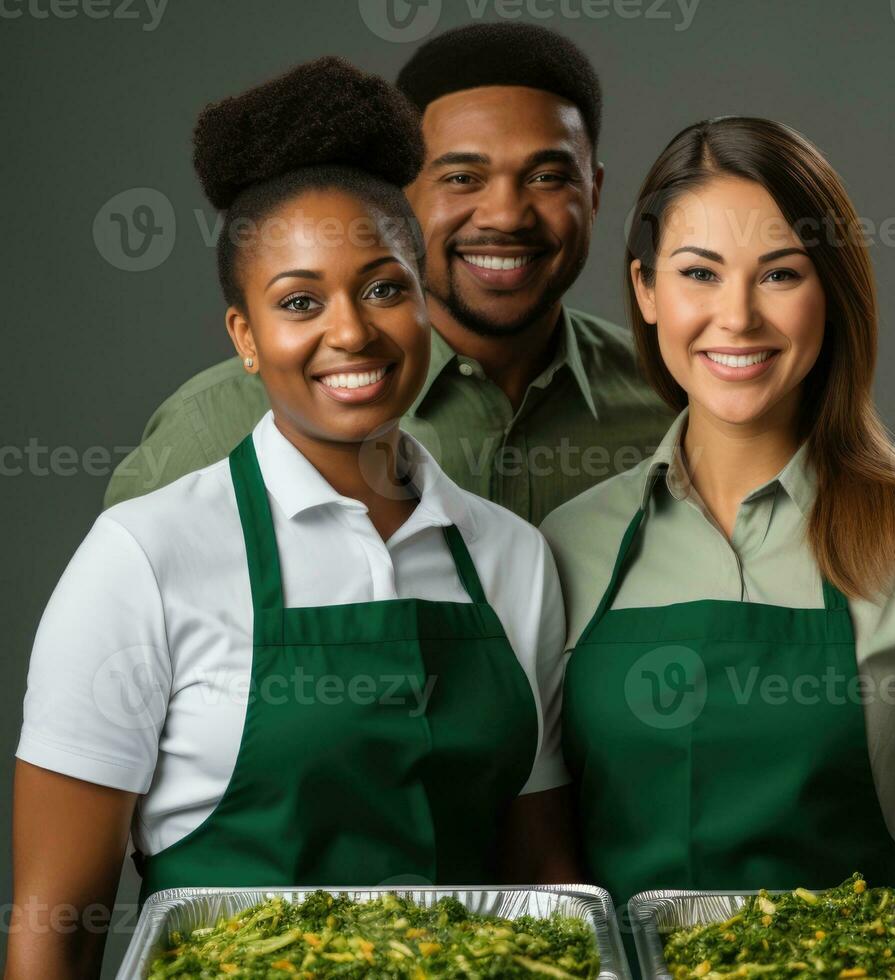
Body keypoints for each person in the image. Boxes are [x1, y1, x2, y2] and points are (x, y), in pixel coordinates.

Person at [8, 58, 575, 978]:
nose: (350, 333)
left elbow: (542, 879)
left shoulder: (510, 556)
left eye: (385, 287)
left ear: (426, 301)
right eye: (299, 302)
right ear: (244, 336)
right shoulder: (145, 557)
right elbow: (53, 924)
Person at [540, 117, 895, 924]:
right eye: (699, 273)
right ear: (646, 291)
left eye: (779, 275)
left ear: (831, 291)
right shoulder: (566, 544)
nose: (737, 317)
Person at [103, 23, 671, 525]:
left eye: (547, 177)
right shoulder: (210, 428)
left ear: (594, 193)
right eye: (461, 178)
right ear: (401, 198)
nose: (505, 216)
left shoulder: (671, 403)